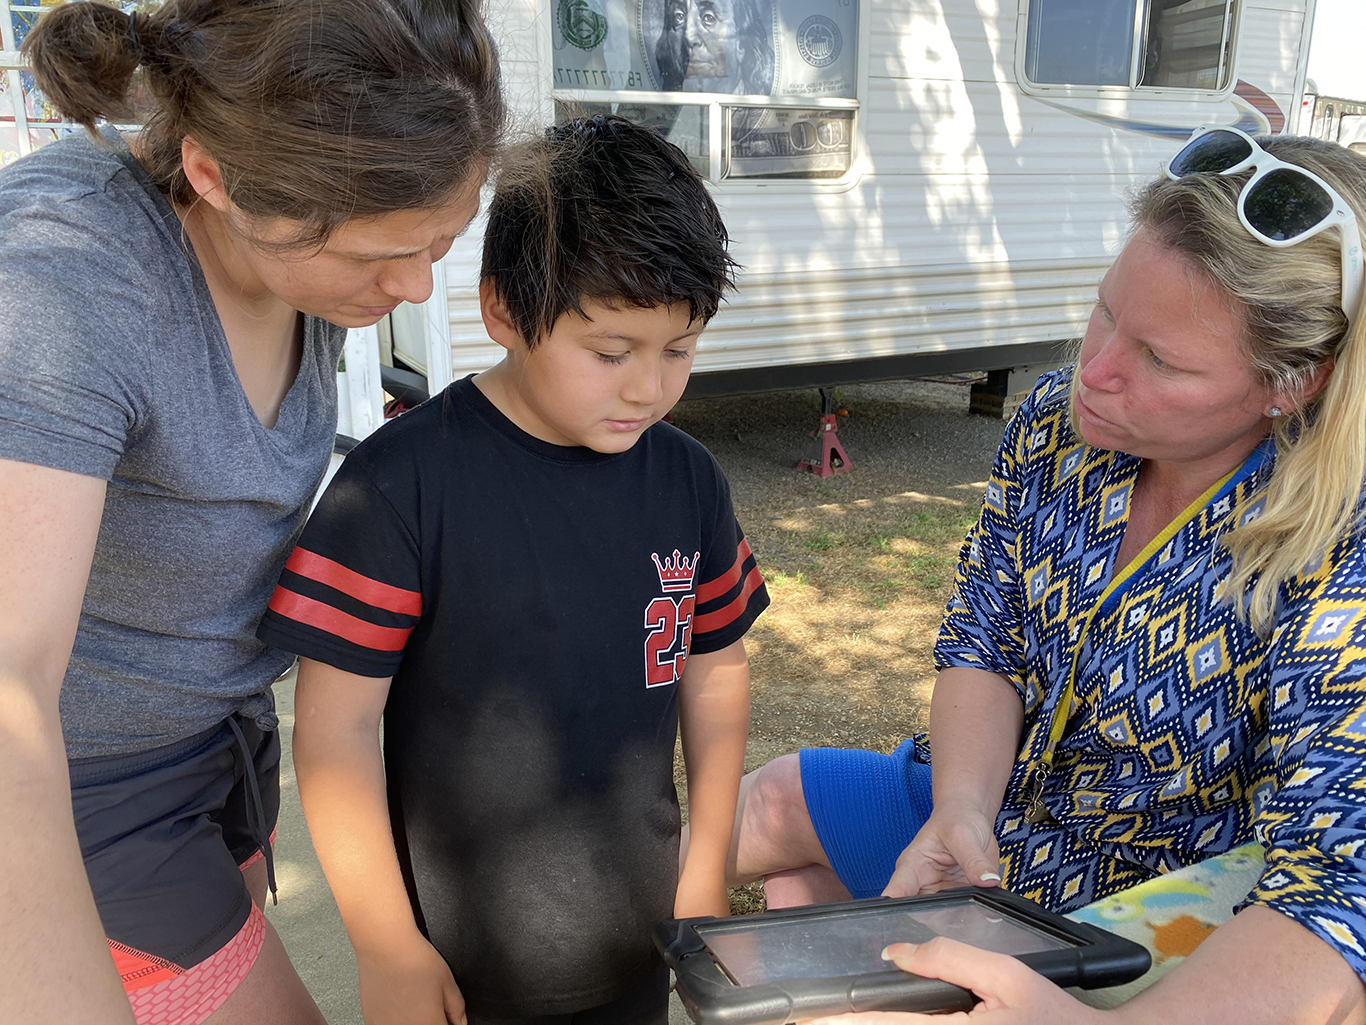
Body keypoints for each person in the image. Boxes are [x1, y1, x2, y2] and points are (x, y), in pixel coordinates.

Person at [706, 127, 1366, 1023]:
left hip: (1148, 897)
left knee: (817, 951)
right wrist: (963, 809)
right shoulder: (1057, 423)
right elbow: (984, 635)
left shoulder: (1344, 545)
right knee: (777, 802)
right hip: (993, 807)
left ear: (1292, 384)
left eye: (1161, 360)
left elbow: (1336, 892)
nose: (1093, 371)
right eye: (1105, 312)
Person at [0, 1, 504, 1023]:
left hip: (214, 743)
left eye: (443, 238)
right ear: (214, 178)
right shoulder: (68, 278)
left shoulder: (298, 257)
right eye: (375, 255)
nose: (411, 284)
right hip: (80, 785)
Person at [255, 114, 768, 1025]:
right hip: (457, 970)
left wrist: (706, 867)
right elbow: (333, 733)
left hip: (638, 946)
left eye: (678, 349)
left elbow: (716, 669)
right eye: (610, 352)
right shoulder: (400, 487)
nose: (648, 387)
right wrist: (385, 947)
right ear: (502, 310)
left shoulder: (689, 481)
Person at [651, 0, 775, 94]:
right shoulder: (665, 122)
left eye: (709, 18)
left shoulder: (758, 118)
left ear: (741, 45)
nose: (689, 37)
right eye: (679, 17)